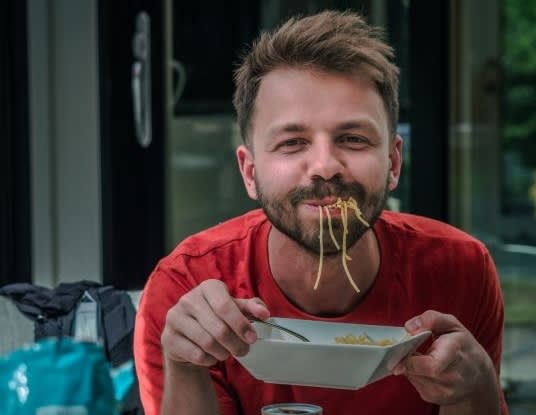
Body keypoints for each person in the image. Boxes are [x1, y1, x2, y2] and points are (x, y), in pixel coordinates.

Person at [134, 10, 509, 415]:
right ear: (250, 172)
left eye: (352, 138)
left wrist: (477, 389)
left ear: (393, 163)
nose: (325, 165)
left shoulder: (460, 270)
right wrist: (185, 365)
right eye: (293, 143)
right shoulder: (187, 289)